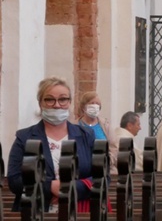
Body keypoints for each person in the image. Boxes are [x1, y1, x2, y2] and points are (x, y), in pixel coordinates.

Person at [8, 77, 96, 212]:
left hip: (78, 212)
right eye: (49, 99)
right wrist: (49, 187)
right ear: (40, 103)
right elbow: (14, 180)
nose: (56, 105)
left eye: (63, 99)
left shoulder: (86, 135)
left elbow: (102, 177)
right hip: (33, 214)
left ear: (70, 102)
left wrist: (69, 190)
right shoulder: (24, 137)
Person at [109, 111, 144, 175]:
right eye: (138, 124)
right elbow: (138, 164)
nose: (140, 128)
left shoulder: (117, 136)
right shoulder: (125, 140)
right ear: (129, 126)